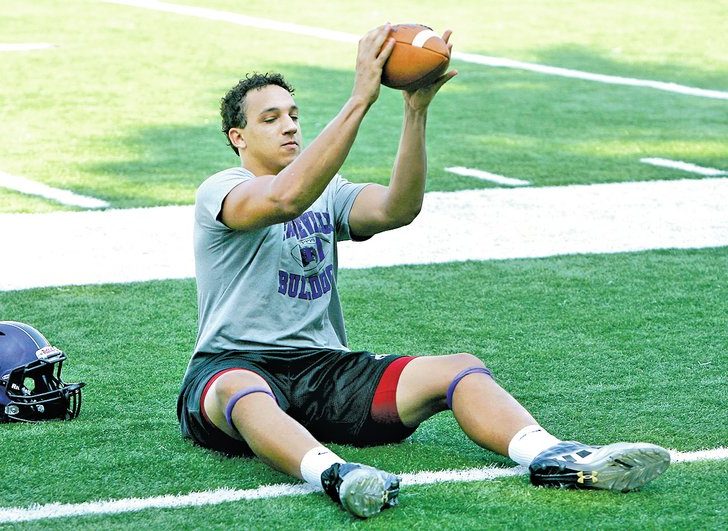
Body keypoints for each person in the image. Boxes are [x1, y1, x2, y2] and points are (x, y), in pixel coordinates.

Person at [177, 24, 670, 519]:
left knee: (459, 368)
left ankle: (553, 456)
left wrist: (416, 112)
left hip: (323, 368)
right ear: (237, 137)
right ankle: (336, 474)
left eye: (294, 115)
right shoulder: (222, 189)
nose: (290, 126)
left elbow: (397, 208)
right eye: (271, 118)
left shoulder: (327, 190)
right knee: (244, 390)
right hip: (232, 366)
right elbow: (285, 198)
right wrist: (360, 98)